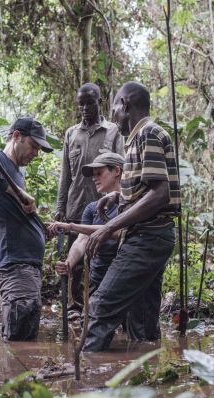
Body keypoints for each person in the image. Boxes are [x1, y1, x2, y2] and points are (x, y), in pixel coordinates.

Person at [82, 82, 180, 352]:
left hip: (146, 237)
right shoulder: (140, 137)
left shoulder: (147, 133)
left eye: (114, 109)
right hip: (154, 236)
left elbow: (160, 194)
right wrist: (118, 197)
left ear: (124, 105)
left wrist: (108, 226)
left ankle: (88, 379)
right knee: (142, 322)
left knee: (100, 307)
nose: (114, 118)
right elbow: (149, 186)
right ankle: (146, 378)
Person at [0, 117, 53, 340]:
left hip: (25, 263)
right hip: (12, 262)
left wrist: (41, 227)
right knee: (19, 328)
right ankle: (12, 372)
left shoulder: (18, 172)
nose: (36, 153)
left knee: (25, 330)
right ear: (17, 136)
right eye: (33, 146)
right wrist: (17, 190)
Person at [55, 83, 124, 306]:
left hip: (107, 209)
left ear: (99, 102)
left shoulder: (113, 131)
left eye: (89, 103)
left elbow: (121, 165)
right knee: (74, 257)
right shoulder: (71, 134)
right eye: (81, 104)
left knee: (102, 256)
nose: (85, 108)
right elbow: (65, 175)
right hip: (77, 206)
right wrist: (60, 208)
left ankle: (95, 301)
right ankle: (72, 303)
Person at [49, 152, 124, 293]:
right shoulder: (91, 208)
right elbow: (81, 241)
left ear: (117, 171)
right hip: (98, 275)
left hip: (121, 273)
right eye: (93, 175)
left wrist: (71, 226)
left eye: (99, 173)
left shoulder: (131, 205)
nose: (94, 179)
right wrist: (69, 263)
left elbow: (118, 232)